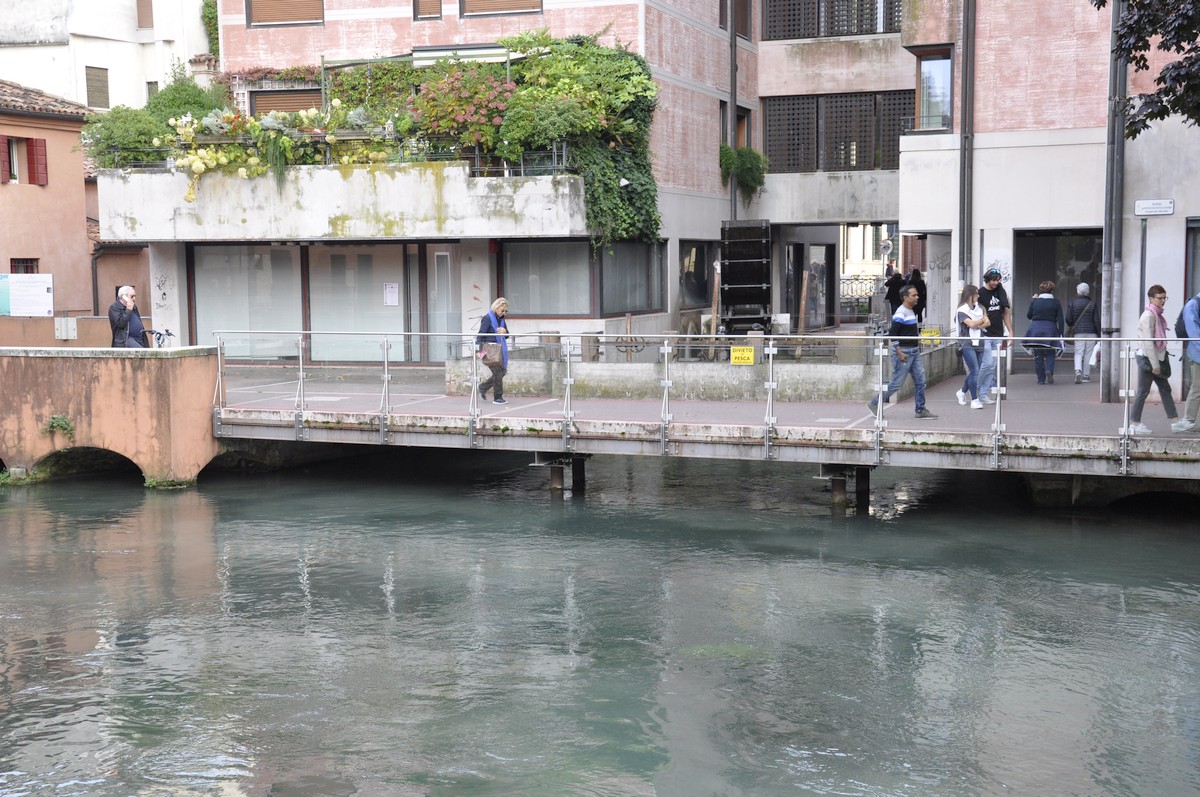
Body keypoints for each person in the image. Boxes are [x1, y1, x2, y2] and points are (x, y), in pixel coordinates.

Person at [868, 285, 937, 419]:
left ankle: (920, 409)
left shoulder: (910, 311)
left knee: (920, 381)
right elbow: (893, 333)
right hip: (905, 353)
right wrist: (899, 352)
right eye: (914, 295)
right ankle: (874, 403)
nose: (917, 297)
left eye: (917, 295)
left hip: (913, 352)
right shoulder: (901, 312)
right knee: (896, 384)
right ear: (905, 297)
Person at [1128, 285, 1185, 435]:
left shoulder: (1155, 314)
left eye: (1165, 298)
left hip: (1154, 358)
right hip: (1148, 359)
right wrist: (1155, 365)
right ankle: (1134, 424)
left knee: (1164, 389)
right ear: (1151, 298)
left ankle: (1175, 422)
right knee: (1143, 391)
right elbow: (1148, 342)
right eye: (1160, 298)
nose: (1163, 301)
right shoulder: (1149, 315)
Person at [977, 267, 1012, 405]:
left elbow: (1006, 313)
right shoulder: (980, 293)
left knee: (992, 366)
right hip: (985, 333)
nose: (996, 283)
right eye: (993, 280)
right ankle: (974, 388)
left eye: (998, 280)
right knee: (986, 364)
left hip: (998, 333)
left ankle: (983, 393)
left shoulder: (1001, 292)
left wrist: (1010, 332)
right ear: (987, 280)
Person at [954, 284, 989, 409]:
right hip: (967, 343)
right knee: (974, 371)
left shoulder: (980, 308)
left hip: (979, 341)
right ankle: (975, 399)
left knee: (976, 371)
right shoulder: (962, 310)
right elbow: (972, 324)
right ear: (970, 295)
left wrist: (978, 323)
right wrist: (981, 321)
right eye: (976, 294)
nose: (978, 296)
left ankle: (962, 391)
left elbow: (988, 322)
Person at [1024, 280, 1065, 385]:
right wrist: (1061, 334)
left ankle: (1040, 379)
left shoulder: (1035, 301)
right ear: (1052, 290)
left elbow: (1029, 315)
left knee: (1038, 355)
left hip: (1035, 329)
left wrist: (1033, 301)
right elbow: (1060, 319)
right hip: (1050, 329)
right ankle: (1049, 370)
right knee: (1051, 352)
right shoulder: (1056, 302)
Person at [1174, 289, 1200, 432]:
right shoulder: (1193, 305)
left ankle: (1189, 420)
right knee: (1197, 387)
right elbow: (1194, 333)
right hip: (1197, 355)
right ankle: (1188, 420)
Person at [476, 297, 510, 405]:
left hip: (499, 350)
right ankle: (498, 397)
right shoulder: (487, 318)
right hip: (489, 350)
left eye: (506, 311)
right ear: (497, 307)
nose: (504, 313)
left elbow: (507, 335)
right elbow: (481, 334)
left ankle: (483, 387)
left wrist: (504, 331)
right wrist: (478, 351)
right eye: (502, 310)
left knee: (502, 372)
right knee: (498, 372)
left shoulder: (502, 320)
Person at [1065, 282, 1101, 383]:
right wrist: (1099, 334)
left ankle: (1078, 371)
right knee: (1088, 353)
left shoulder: (1072, 302)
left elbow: (1068, 319)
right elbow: (1096, 320)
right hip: (1092, 332)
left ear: (1078, 291)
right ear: (1088, 292)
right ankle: (1086, 376)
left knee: (1078, 352)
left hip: (1078, 331)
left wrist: (1073, 324)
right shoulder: (1092, 303)